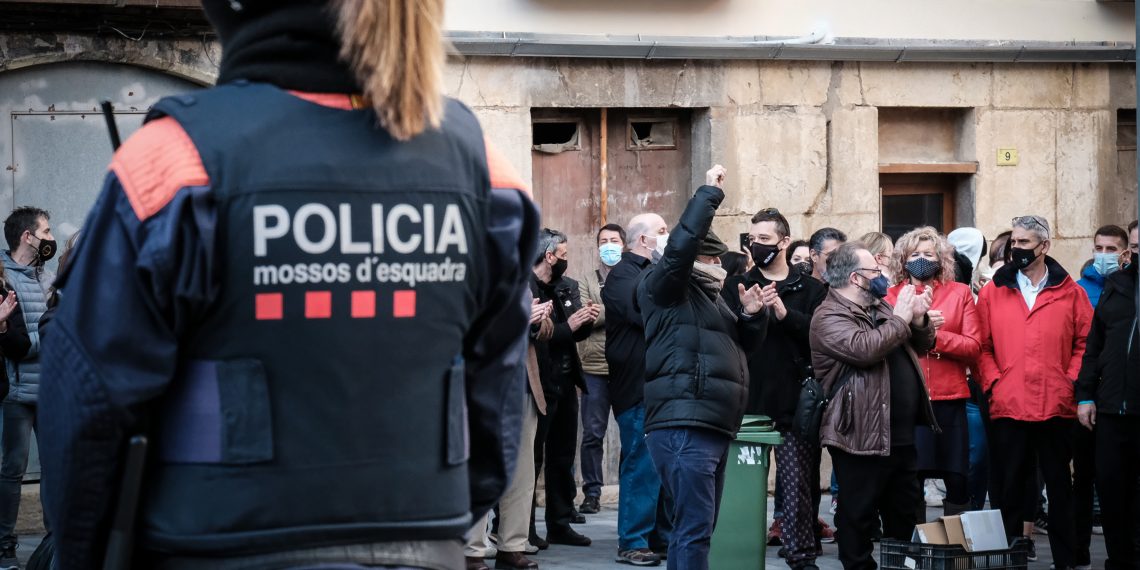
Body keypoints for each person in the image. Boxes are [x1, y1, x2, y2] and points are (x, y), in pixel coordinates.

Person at [37, 0, 542, 567]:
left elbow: (86, 409)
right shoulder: (482, 167)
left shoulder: (173, 162)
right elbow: (495, 406)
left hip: (214, 543)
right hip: (424, 543)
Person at [640, 165, 768, 570]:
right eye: (713, 256)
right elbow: (679, 249)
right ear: (701, 257)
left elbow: (743, 349)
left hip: (711, 424)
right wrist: (708, 196)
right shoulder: (666, 287)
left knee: (697, 528)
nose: (721, 265)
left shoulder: (712, 298)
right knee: (694, 529)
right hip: (684, 423)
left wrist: (751, 316)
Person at [810, 241, 935, 570]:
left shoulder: (879, 307)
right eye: (874, 271)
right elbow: (864, 349)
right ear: (855, 278)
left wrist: (918, 320)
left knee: (904, 510)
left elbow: (921, 345)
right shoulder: (828, 315)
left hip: (900, 433)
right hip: (859, 434)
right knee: (858, 513)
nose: (881, 276)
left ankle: (897, 565)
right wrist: (902, 318)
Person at [976, 215, 1092, 566]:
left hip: (1056, 405)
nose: (1017, 249)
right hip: (1009, 404)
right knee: (1010, 488)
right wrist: (994, 382)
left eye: (1025, 243)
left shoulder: (1072, 293)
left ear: (1045, 246)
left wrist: (1069, 380)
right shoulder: (993, 292)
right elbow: (981, 346)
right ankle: (1011, 559)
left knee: (1060, 488)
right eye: (1014, 242)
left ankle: (1066, 559)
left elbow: (1085, 344)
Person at [723, 208, 827, 570]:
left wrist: (785, 315)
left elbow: (821, 336)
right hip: (746, 400)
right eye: (753, 239)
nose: (757, 245)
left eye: (765, 239)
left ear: (784, 241)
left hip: (792, 401)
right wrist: (750, 313)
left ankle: (801, 556)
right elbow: (728, 336)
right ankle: (735, 552)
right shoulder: (736, 284)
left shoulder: (811, 288)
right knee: (739, 485)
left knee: (798, 484)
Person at [885, 227, 981, 517]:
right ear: (903, 259)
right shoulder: (890, 296)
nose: (921, 260)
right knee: (912, 477)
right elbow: (884, 343)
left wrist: (935, 336)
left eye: (928, 254)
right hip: (908, 400)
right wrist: (914, 327)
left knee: (957, 477)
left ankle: (955, 544)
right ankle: (916, 543)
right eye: (915, 254)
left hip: (949, 398)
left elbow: (974, 345)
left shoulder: (960, 293)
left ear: (941, 259)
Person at [602, 213, 669, 565]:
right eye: (661, 232)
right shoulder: (623, 276)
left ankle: (659, 536)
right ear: (643, 241)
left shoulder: (648, 273)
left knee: (659, 466)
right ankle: (632, 540)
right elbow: (647, 315)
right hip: (636, 387)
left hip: (657, 386)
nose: (666, 236)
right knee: (641, 465)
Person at [466, 298, 552, 570]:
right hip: (483, 385)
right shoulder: (473, 276)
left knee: (523, 473)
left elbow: (547, 331)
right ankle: (472, 551)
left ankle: (512, 546)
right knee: (479, 469)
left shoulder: (521, 282)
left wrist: (540, 321)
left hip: (524, 387)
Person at [529, 229, 598, 548]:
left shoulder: (566, 287)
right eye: (565, 255)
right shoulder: (525, 288)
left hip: (567, 382)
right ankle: (522, 527)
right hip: (537, 384)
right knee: (531, 459)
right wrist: (566, 328)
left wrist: (582, 322)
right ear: (549, 256)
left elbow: (572, 336)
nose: (567, 261)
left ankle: (559, 521)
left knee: (562, 457)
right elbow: (535, 336)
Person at [1075, 219, 1138, 569]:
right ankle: (1117, 559)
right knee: (1110, 490)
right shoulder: (1114, 286)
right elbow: (1094, 347)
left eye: (1110, 249)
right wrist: (1085, 395)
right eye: (1137, 248)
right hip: (1110, 406)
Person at [0, 206, 56, 567]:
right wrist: (52, 334)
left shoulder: (46, 277)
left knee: (54, 468)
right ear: (28, 236)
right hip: (18, 395)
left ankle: (53, 546)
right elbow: (14, 344)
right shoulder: (4, 279)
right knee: (12, 470)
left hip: (49, 392)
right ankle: (5, 547)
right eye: (46, 231)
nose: (50, 238)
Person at [575, 224, 624, 517]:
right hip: (593, 367)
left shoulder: (633, 276)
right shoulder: (586, 279)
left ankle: (628, 489)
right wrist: (617, 309)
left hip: (626, 368)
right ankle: (592, 492)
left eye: (614, 240)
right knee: (593, 433)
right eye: (604, 241)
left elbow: (639, 311)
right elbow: (584, 317)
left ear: (624, 245)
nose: (609, 245)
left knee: (633, 433)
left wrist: (603, 309)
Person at [1077, 224, 1130, 307]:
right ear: (1093, 252)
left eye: (1111, 249)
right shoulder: (1077, 290)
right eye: (1099, 248)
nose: (1103, 253)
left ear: (1125, 255)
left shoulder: (1134, 286)